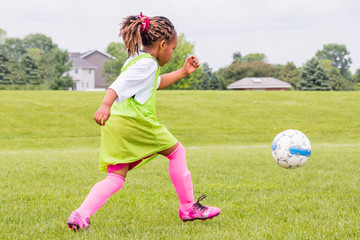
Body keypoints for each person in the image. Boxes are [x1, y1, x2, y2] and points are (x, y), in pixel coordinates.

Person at [67, 12, 221, 232]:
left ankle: (80, 214)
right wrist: (105, 104)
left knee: (115, 177)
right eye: (173, 49)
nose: (172, 53)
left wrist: (183, 72)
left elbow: (154, 83)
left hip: (117, 124)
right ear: (162, 45)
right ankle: (188, 207)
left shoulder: (137, 60)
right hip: (136, 121)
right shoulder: (148, 63)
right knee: (177, 152)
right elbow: (119, 84)